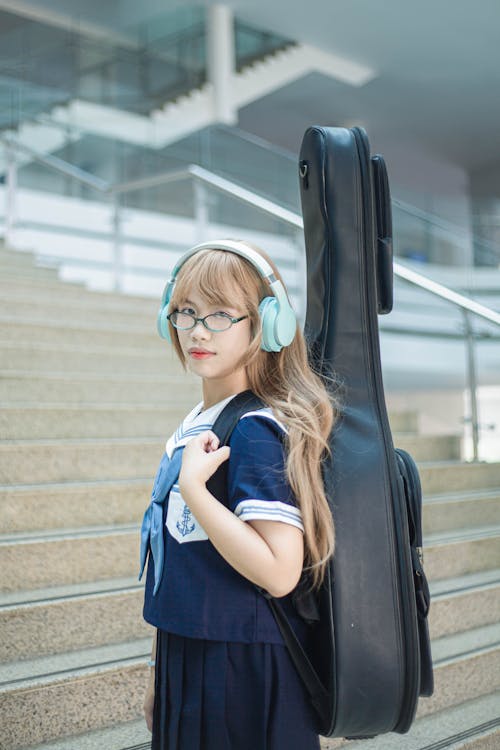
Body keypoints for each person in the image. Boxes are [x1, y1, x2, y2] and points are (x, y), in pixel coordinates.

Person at [139, 239, 338, 749]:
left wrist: (196, 492)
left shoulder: (254, 430)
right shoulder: (197, 422)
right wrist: (162, 669)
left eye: (222, 315)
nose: (198, 331)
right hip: (192, 654)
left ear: (267, 324)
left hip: (242, 672)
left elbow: (279, 571)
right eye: (186, 312)